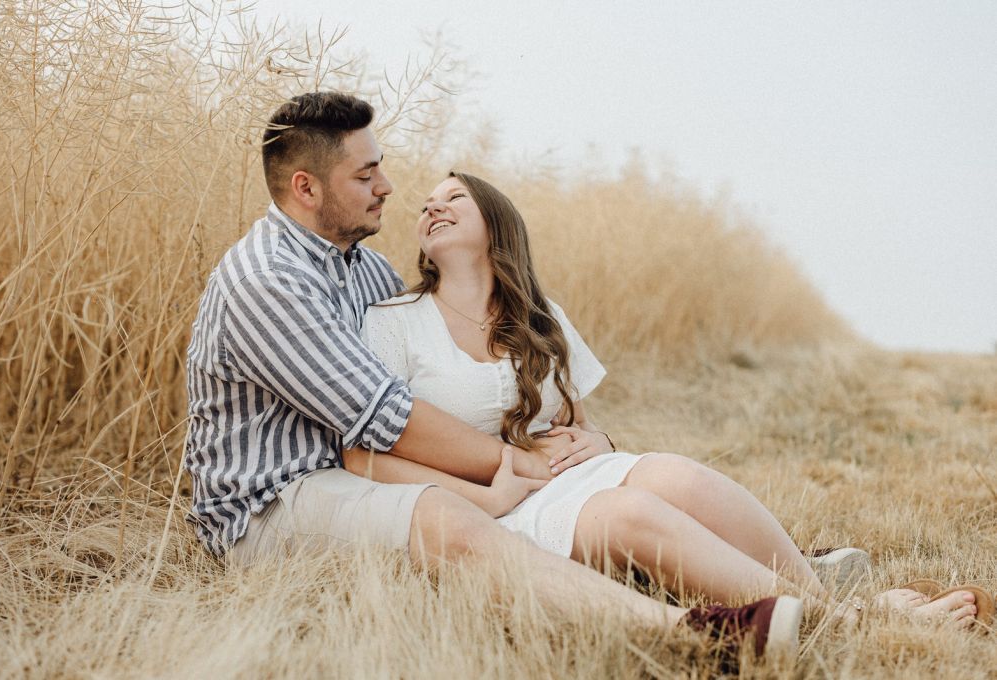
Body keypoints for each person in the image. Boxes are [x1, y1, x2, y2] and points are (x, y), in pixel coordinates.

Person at [181, 91, 983, 667]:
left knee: (655, 478)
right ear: (306, 188)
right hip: (273, 499)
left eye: (382, 167)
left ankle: (811, 591)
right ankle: (700, 634)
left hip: (351, 472)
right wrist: (509, 469)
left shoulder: (355, 269)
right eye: (367, 175)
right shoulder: (269, 281)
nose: (389, 187)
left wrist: (571, 445)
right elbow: (382, 419)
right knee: (454, 523)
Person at [342, 170, 989, 629]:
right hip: (493, 512)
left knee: (675, 473)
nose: (432, 206)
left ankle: (814, 588)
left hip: (565, 477)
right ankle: (843, 621)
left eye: (453, 196)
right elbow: (360, 456)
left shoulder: (543, 317)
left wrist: (601, 441)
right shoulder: (393, 322)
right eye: (425, 203)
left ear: (495, 223)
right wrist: (485, 496)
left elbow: (575, 425)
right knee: (628, 514)